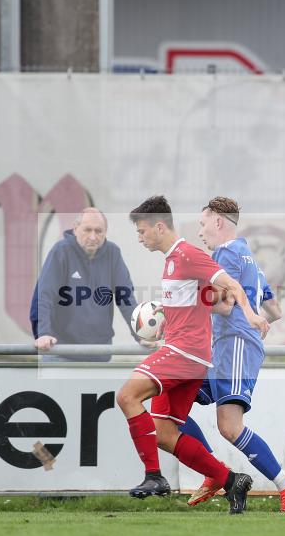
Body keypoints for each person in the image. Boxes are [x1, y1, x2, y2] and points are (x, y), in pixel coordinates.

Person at [115, 195, 269, 514]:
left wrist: (252, 315)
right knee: (164, 432)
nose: (140, 238)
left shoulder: (187, 254)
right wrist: (167, 319)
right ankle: (231, 481)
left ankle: (154, 477)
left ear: (159, 227)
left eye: (142, 231)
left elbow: (231, 286)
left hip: (184, 353)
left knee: (127, 396)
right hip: (186, 352)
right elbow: (218, 302)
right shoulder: (173, 260)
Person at [177, 197, 285, 514]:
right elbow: (274, 311)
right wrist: (254, 322)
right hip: (227, 347)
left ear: (218, 221)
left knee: (230, 427)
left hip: (234, 345)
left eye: (203, 224)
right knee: (174, 405)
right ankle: (213, 472)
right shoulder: (249, 257)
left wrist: (184, 301)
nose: (200, 232)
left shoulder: (224, 253)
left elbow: (223, 304)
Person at [31, 208, 137, 362]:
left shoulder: (113, 253)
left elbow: (126, 299)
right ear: (75, 229)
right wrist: (43, 333)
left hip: (99, 353)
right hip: (61, 352)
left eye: (98, 231)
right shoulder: (61, 251)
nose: (93, 237)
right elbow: (44, 296)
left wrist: (140, 335)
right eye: (87, 230)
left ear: (105, 232)